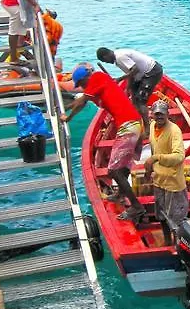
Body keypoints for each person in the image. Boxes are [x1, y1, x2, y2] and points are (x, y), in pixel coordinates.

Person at [62, 66, 146, 222]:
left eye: (81, 84)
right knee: (124, 165)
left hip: (128, 125)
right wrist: (69, 116)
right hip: (133, 123)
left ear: (84, 79)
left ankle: (136, 206)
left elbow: (81, 100)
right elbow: (81, 103)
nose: (82, 88)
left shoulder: (97, 77)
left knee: (113, 171)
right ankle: (121, 193)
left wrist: (66, 111)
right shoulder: (96, 88)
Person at [144, 100, 189, 234]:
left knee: (176, 220)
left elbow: (179, 156)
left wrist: (156, 158)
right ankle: (167, 240)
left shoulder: (174, 131)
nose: (159, 117)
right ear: (151, 115)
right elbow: (153, 149)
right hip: (158, 181)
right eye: (156, 114)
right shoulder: (152, 126)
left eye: (162, 114)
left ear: (167, 114)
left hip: (173, 184)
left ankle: (177, 246)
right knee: (161, 215)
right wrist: (149, 170)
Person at [96, 47, 163, 136]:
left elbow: (135, 70)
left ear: (105, 56)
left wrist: (119, 79)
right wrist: (128, 89)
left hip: (151, 72)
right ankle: (138, 124)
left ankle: (147, 130)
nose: (107, 63)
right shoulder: (117, 59)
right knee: (134, 99)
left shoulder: (120, 57)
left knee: (140, 101)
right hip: (141, 75)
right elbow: (131, 74)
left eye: (105, 61)